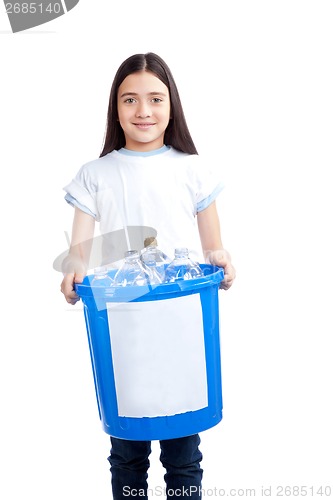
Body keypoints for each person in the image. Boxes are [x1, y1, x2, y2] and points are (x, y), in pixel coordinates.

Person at [60, 52, 236, 500]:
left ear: (171, 105)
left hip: (182, 327)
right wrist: (73, 272)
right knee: (127, 455)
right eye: (130, 100)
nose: (143, 111)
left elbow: (212, 246)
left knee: (183, 454)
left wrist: (224, 261)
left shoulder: (192, 169)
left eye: (155, 99)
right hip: (124, 329)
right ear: (115, 108)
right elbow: (80, 252)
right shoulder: (96, 174)